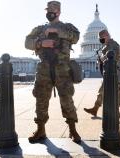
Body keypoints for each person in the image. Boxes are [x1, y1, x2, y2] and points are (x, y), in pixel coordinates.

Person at [25, 1, 81, 144]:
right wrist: (40, 43)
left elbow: (75, 37)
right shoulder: (40, 29)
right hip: (44, 68)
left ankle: (73, 129)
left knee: (67, 99)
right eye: (48, 9)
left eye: (53, 9)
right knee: (41, 99)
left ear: (59, 12)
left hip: (63, 69)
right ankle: (40, 130)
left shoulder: (67, 27)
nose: (50, 11)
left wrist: (58, 32)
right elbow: (27, 42)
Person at [84, 29, 120, 118]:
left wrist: (101, 57)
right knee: (118, 91)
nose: (100, 40)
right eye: (99, 38)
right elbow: (103, 60)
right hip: (108, 72)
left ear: (106, 35)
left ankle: (95, 108)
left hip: (113, 72)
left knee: (102, 90)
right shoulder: (105, 46)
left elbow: (112, 59)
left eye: (101, 38)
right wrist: (99, 58)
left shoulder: (113, 45)